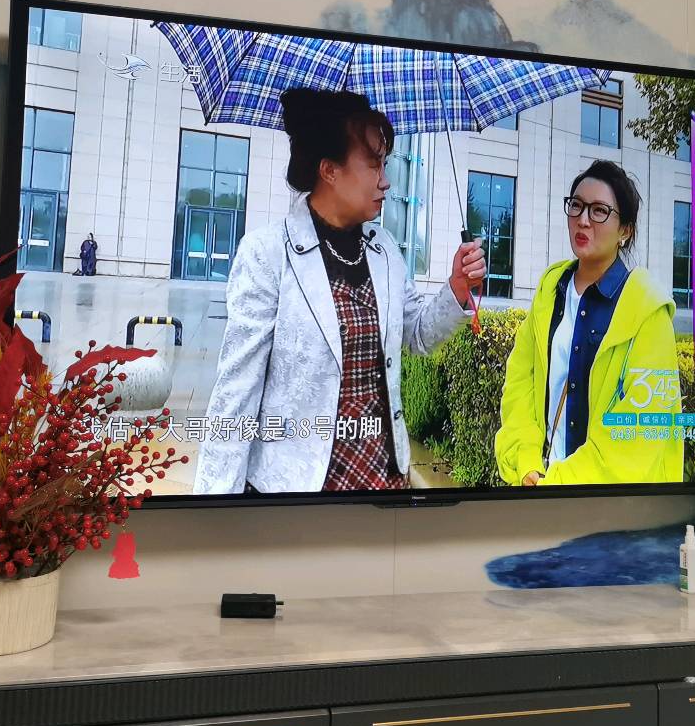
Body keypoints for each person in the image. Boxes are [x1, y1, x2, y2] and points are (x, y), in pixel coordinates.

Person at [192, 88, 486, 495]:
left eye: (385, 164)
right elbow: (237, 391)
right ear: (329, 170)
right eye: (373, 165)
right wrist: (214, 505)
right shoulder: (268, 253)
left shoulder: (384, 250)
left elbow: (417, 335)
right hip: (300, 493)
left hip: (384, 482)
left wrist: (456, 287)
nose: (386, 181)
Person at [494, 160, 682, 486]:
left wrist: (561, 481)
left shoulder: (648, 309)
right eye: (577, 206)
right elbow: (520, 383)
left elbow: (640, 428)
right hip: (540, 483)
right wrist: (526, 463)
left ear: (625, 231)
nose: (582, 220)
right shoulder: (551, 291)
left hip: (609, 501)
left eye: (599, 211)